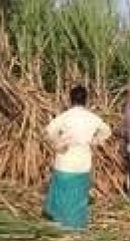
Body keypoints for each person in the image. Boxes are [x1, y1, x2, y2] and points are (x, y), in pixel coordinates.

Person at [43, 85, 111, 231]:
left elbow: (49, 130)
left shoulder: (66, 116)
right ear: (86, 100)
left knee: (63, 192)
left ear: (70, 99)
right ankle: (75, 226)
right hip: (83, 160)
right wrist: (94, 141)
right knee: (79, 194)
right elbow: (107, 131)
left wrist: (59, 143)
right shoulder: (92, 118)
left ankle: (59, 224)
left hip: (65, 158)